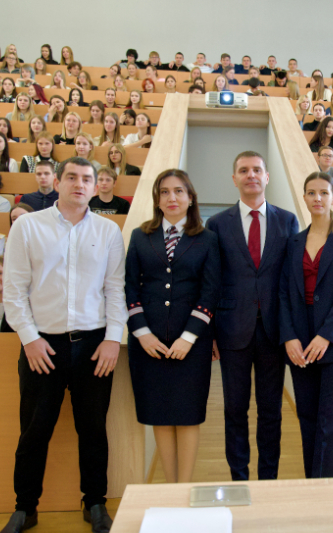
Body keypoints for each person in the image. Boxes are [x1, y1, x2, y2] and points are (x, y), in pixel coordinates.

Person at [0, 157, 128, 533]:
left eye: (87, 179)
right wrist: (29, 339)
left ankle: (95, 503)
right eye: (71, 177)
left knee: (93, 430)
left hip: (94, 346)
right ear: (57, 183)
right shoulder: (27, 227)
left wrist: (113, 339)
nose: (79, 184)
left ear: (95, 186)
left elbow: (115, 290)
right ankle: (25, 508)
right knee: (34, 430)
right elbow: (14, 290)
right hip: (43, 347)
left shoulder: (108, 231)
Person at [205, 151, 299, 481]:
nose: (251, 175)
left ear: (267, 177)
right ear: (234, 179)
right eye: (243, 170)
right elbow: (212, 281)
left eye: (257, 170)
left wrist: (292, 330)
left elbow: (292, 279)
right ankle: (239, 480)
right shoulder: (217, 224)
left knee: (271, 410)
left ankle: (268, 481)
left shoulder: (287, 221)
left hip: (275, 331)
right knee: (235, 409)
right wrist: (210, 332)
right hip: (232, 330)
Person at [124, 169, 219, 484]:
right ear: (157, 199)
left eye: (179, 191)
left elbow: (210, 292)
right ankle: (169, 487)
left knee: (188, 416)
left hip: (191, 345)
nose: (171, 197)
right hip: (148, 344)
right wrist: (143, 334)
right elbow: (130, 288)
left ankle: (184, 488)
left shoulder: (207, 239)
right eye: (164, 192)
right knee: (160, 416)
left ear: (190, 198)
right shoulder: (140, 236)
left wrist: (188, 338)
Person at [279, 172, 333, 478]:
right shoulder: (293, 242)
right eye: (311, 193)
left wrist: (326, 335)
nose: (317, 198)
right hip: (300, 344)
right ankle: (311, 488)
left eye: (324, 193)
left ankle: (327, 494)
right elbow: (284, 292)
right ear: (304, 198)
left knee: (332, 423)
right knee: (308, 419)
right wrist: (289, 336)